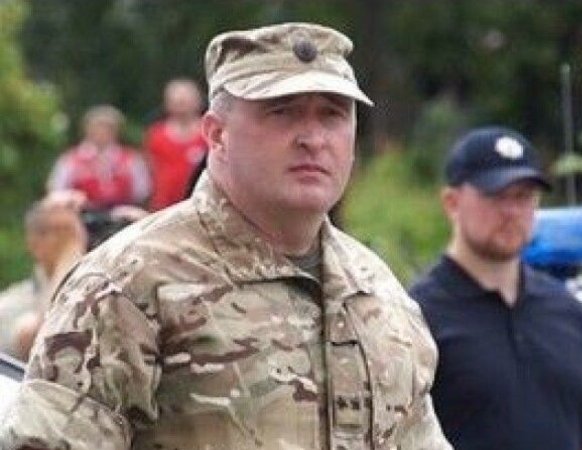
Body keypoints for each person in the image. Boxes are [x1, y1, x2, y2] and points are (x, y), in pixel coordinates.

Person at [1, 23, 451, 450]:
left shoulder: (377, 291)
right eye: (283, 113)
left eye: (332, 115)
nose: (313, 138)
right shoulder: (128, 284)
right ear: (216, 135)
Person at [409, 126, 582, 450]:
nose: (511, 211)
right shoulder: (414, 318)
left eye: (523, 196)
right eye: (495, 196)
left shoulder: (570, 314)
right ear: (452, 203)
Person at [0, 192, 88, 361]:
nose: (79, 237)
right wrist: (69, 258)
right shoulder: (10, 305)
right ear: (33, 242)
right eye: (62, 230)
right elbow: (45, 342)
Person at [47, 104, 151, 210]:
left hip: (123, 212)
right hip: (82, 212)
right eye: (97, 127)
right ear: (87, 129)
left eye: (108, 128)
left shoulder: (131, 159)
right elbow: (57, 189)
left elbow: (142, 191)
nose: (102, 132)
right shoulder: (71, 159)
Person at [144, 78, 207, 211]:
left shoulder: (208, 132)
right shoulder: (156, 134)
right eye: (177, 102)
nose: (181, 107)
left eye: (185, 102)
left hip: (200, 204)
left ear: (198, 102)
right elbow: (150, 169)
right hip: (163, 206)